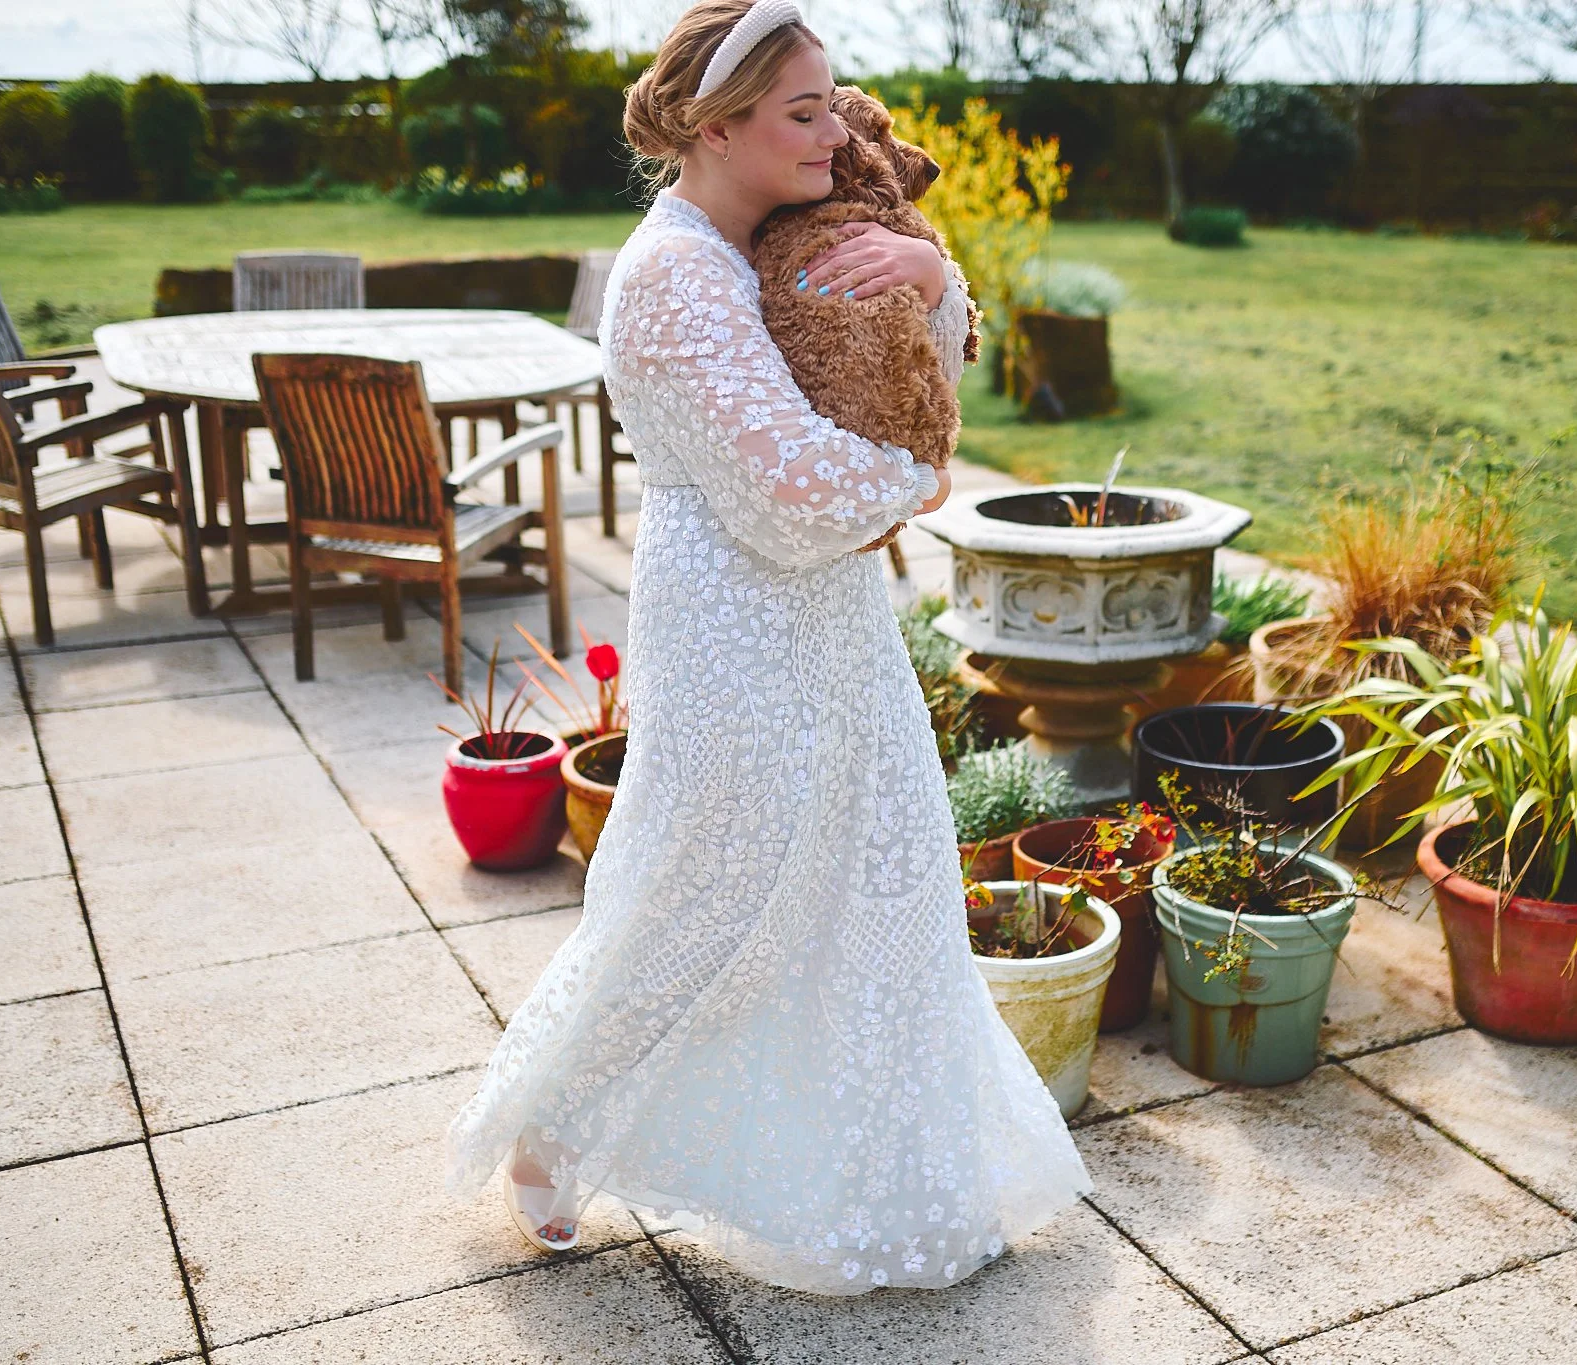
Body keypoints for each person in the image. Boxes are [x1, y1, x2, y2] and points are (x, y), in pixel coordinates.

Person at [444, 0, 1093, 1296]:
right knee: (706, 899)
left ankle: (893, 1182)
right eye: (802, 112)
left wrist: (930, 274)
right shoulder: (676, 272)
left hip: (834, 630)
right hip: (740, 633)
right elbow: (796, 495)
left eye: (829, 101)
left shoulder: (791, 231)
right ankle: (553, 1135)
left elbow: (921, 348)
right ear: (714, 123)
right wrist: (921, 470)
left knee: (880, 895)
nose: (831, 131)